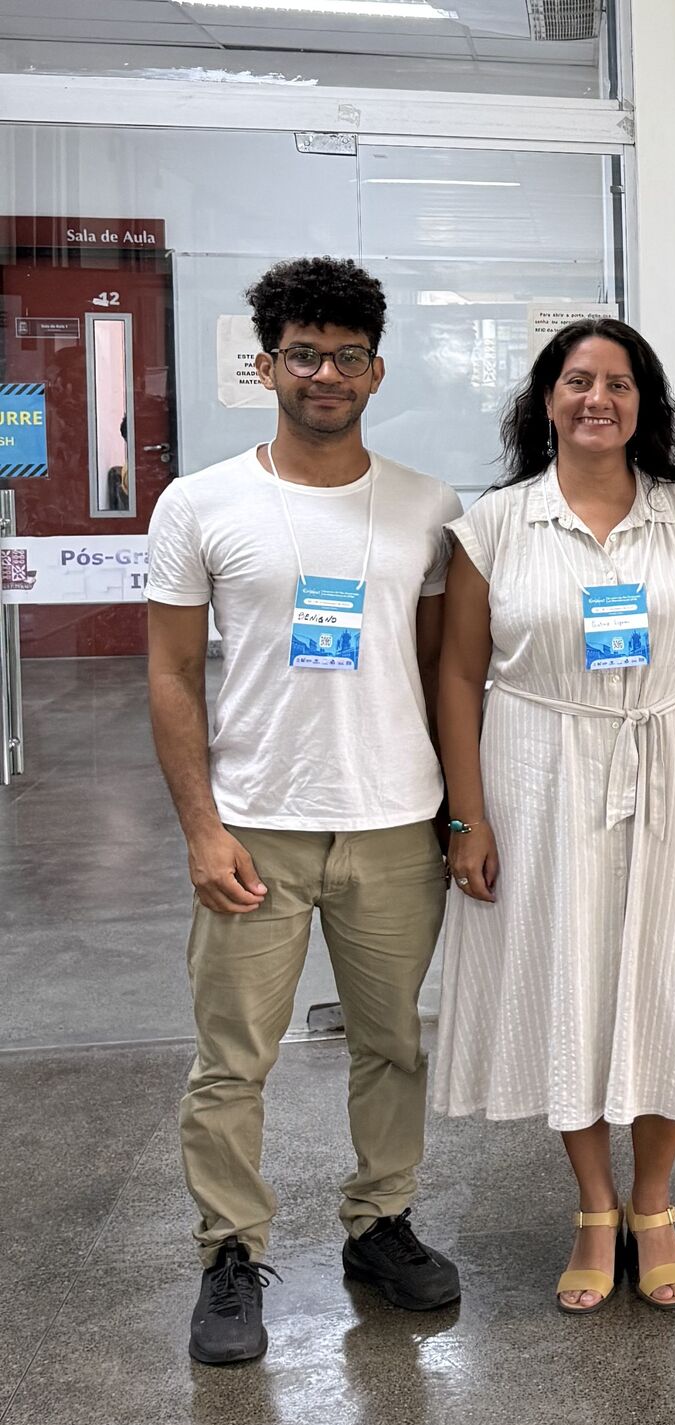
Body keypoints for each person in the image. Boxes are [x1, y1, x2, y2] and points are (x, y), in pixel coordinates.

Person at [145, 258, 465, 1365]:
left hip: (391, 823)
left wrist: (455, 818)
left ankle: (381, 1222)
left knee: (392, 1046)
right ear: (265, 362)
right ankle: (230, 1251)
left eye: (346, 355)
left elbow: (442, 677)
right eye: (302, 352)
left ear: (377, 370)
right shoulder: (201, 502)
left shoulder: (429, 505)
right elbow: (175, 674)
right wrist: (200, 824)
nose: (324, 372)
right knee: (233, 1059)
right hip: (257, 823)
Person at [430, 318, 675, 1314]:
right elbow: (456, 669)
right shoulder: (495, 523)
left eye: (618, 382)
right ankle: (591, 1203)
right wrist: (466, 817)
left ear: (646, 406)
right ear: (545, 399)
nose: (597, 398)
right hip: (535, 772)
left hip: (667, 768)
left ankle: (653, 1204)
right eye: (578, 380)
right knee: (564, 979)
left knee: (664, 979)